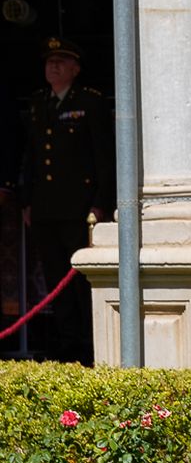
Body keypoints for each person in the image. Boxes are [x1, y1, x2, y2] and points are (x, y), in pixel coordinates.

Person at [17, 38, 112, 362]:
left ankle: (89, 342)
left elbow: (104, 157)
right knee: (56, 276)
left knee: (81, 276)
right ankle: (67, 341)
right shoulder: (38, 102)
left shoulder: (90, 102)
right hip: (45, 207)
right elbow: (32, 156)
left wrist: (100, 202)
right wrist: (27, 201)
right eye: (49, 61)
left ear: (75, 68)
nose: (53, 66)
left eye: (61, 61)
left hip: (79, 208)